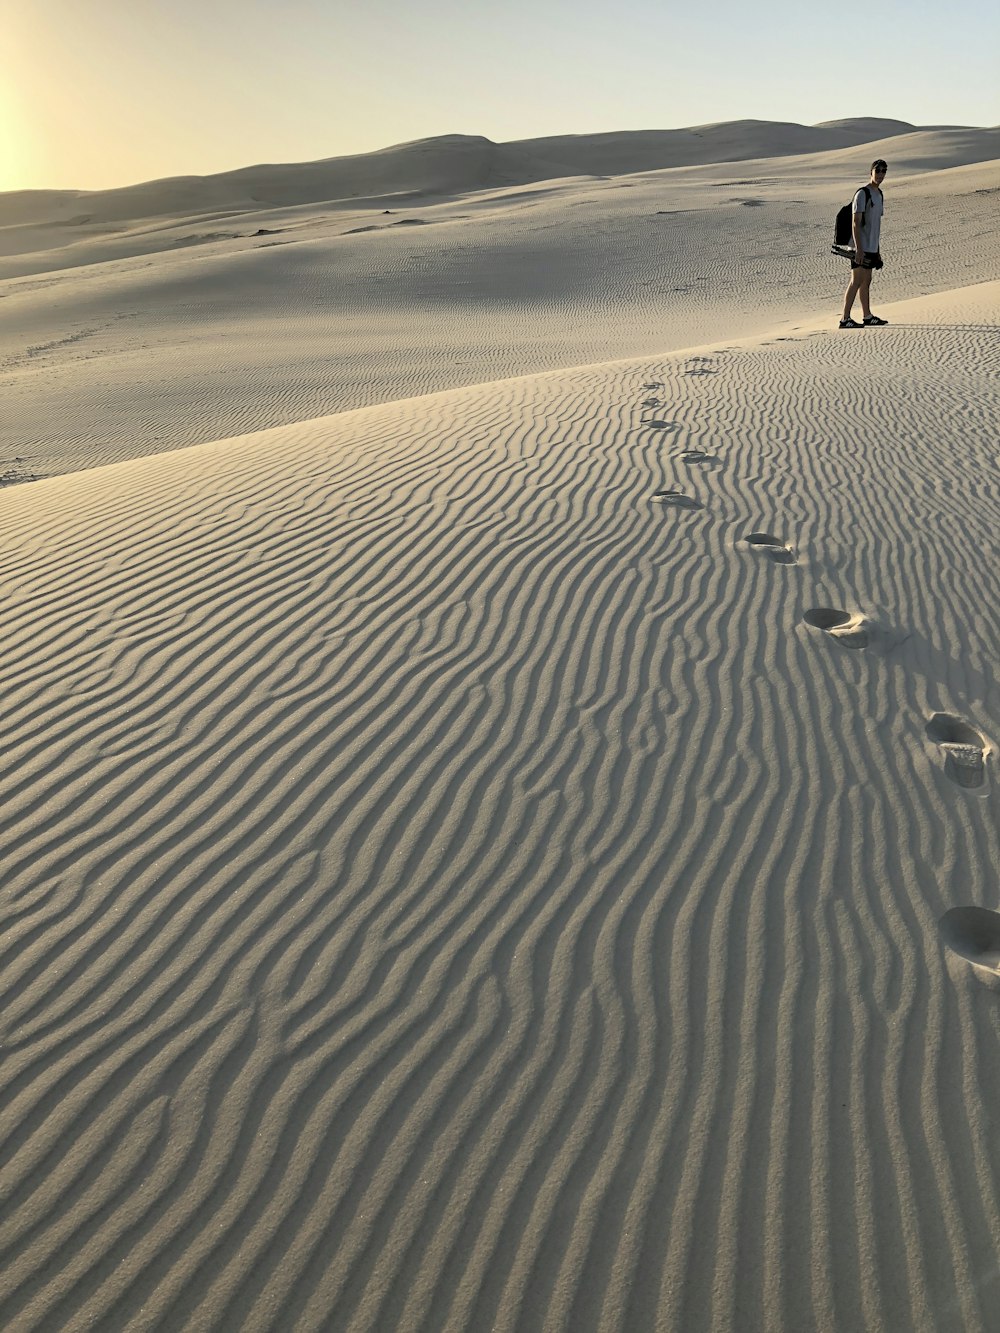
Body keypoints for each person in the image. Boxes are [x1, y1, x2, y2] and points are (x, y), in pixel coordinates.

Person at [840, 160, 888, 328]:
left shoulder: (879, 195)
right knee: (856, 280)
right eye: (878, 171)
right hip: (859, 246)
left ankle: (867, 316)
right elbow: (856, 222)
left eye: (884, 171)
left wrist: (877, 250)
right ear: (871, 172)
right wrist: (859, 249)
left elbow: (876, 225)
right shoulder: (862, 194)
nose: (881, 174)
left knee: (866, 281)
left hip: (871, 247)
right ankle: (845, 319)